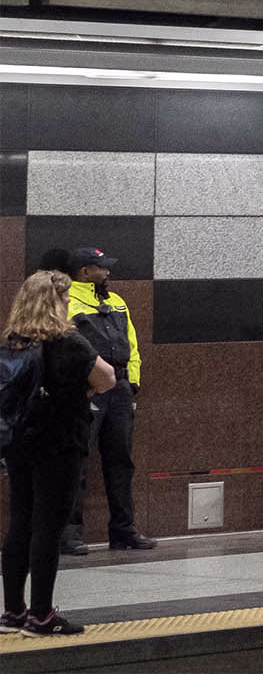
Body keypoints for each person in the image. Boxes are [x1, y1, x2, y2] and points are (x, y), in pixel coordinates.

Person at [3, 272, 115, 636]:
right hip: (59, 442)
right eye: (65, 298)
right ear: (56, 301)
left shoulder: (12, 342)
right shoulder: (68, 340)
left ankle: (13, 612)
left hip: (19, 441)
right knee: (48, 529)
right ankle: (41, 616)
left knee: (20, 524)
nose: (69, 303)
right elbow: (107, 378)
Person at [62, 249, 151, 555]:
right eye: (102, 268)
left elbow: (133, 344)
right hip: (85, 390)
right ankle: (69, 534)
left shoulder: (116, 301)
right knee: (77, 462)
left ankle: (124, 531)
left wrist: (133, 381)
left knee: (121, 461)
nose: (108, 272)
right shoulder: (67, 301)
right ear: (85, 271)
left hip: (120, 390)